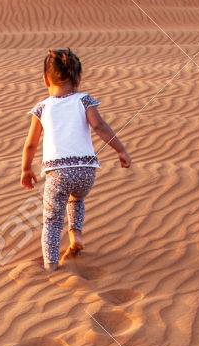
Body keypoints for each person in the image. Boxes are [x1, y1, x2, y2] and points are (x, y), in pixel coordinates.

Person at [21, 48, 131, 271]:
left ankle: (51, 265)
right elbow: (99, 126)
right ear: (78, 78)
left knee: (52, 220)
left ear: (45, 79)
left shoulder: (42, 108)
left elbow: (31, 144)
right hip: (86, 172)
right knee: (76, 199)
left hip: (58, 174)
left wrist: (26, 169)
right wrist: (121, 150)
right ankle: (76, 235)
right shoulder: (84, 100)